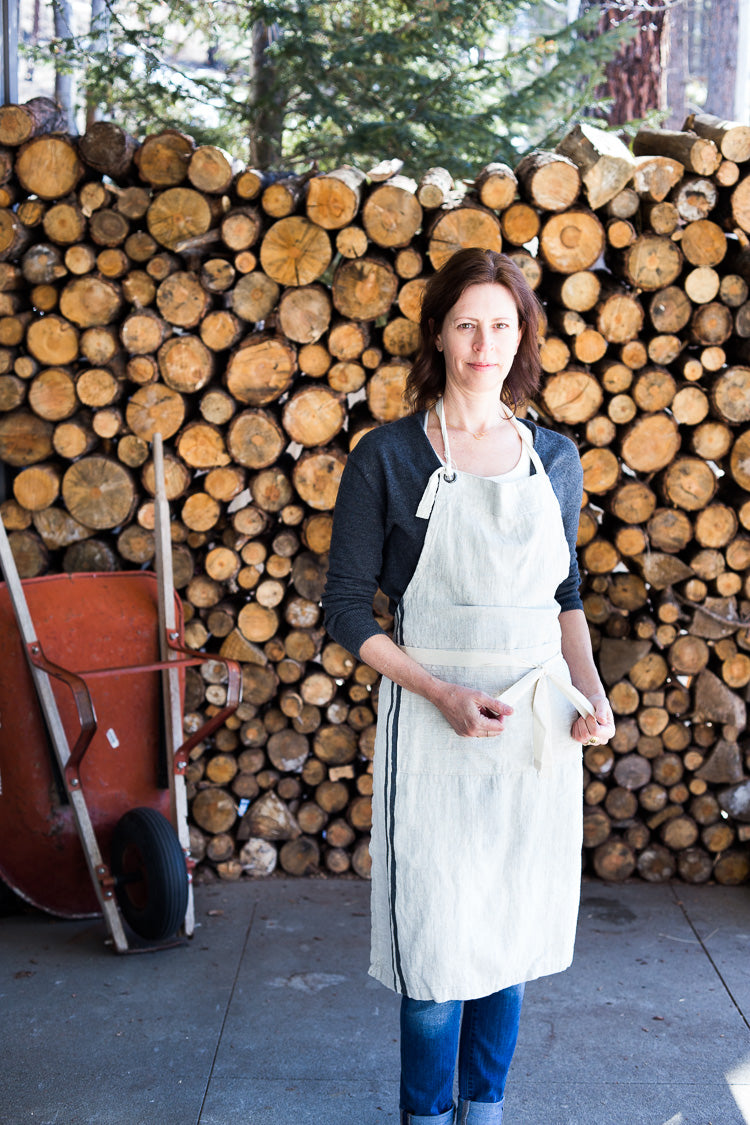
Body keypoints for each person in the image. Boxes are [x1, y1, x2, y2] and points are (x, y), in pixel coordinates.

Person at [322, 248, 615, 1124]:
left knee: (509, 933)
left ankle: (483, 1110)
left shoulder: (553, 459)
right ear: (440, 336)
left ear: (522, 334)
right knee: (439, 945)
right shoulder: (390, 456)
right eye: (466, 324)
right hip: (435, 730)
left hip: (535, 731)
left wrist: (591, 690)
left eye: (502, 323)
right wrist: (439, 690)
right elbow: (345, 611)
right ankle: (426, 1114)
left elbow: (563, 599)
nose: (485, 341)